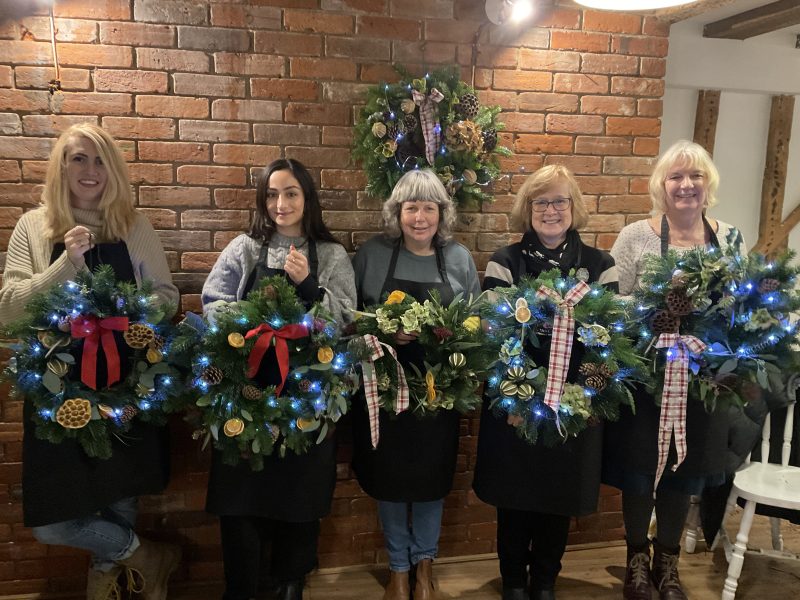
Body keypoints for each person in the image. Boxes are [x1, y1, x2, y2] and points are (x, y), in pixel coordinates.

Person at [0, 123, 181, 600]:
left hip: (124, 387)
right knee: (53, 521)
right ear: (61, 167)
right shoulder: (34, 228)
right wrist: (67, 266)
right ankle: (147, 556)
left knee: (121, 496)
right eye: (78, 158)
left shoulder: (132, 226)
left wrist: (131, 313)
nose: (90, 170)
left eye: (100, 160)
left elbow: (166, 297)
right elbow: (8, 312)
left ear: (114, 171)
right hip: (57, 395)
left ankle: (108, 583)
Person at [201, 158, 356, 600]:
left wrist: (309, 289)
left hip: (307, 400)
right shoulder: (244, 248)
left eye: (291, 193)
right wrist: (251, 323)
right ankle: (242, 588)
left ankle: (291, 584)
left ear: (307, 199)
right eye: (272, 194)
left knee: (299, 501)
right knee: (241, 501)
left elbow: (344, 319)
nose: (280, 203)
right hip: (244, 397)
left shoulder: (330, 255)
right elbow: (213, 301)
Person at [604, 140, 745, 600]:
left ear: (709, 184)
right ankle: (636, 565)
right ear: (660, 186)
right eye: (676, 177)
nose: (686, 185)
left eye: (696, 176)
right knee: (642, 470)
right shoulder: (635, 236)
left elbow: (738, 308)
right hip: (646, 376)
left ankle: (668, 564)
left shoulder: (730, 238)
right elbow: (614, 303)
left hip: (704, 379)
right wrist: (659, 313)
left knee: (684, 470)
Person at [472, 165, 617, 600]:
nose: (550, 210)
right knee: (514, 497)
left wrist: (587, 395)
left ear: (573, 207)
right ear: (527, 209)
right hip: (515, 400)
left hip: (574, 404)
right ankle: (514, 581)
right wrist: (515, 393)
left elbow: (611, 343)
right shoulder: (505, 262)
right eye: (541, 202)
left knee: (559, 497)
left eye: (559, 201)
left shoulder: (600, 266)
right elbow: (491, 337)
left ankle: (546, 581)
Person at [351, 169, 481, 600]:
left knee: (430, 481)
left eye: (429, 207)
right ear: (397, 212)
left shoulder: (459, 259)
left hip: (438, 394)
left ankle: (425, 567)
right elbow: (350, 320)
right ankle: (398, 570)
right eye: (411, 207)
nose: (420, 217)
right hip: (384, 390)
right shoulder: (371, 255)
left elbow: (476, 328)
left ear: (442, 213)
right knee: (390, 480)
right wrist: (386, 333)